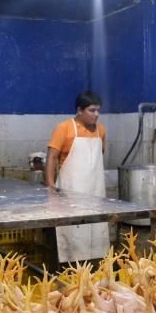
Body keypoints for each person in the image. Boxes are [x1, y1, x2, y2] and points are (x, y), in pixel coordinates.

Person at [45, 91, 110, 263]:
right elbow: (51, 157)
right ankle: (71, 266)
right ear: (79, 110)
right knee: (73, 231)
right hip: (70, 191)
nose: (96, 114)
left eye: (98, 110)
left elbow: (99, 155)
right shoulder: (64, 128)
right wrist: (50, 187)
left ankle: (97, 264)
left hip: (95, 190)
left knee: (96, 229)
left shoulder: (100, 131)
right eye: (91, 110)